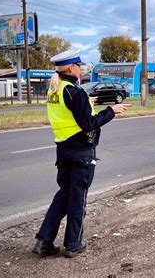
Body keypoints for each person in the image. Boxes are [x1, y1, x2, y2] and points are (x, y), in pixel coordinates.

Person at [32, 49, 129, 258]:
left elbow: (68, 114)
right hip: (80, 151)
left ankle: (43, 241)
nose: (81, 68)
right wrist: (112, 110)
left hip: (63, 150)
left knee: (64, 194)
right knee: (77, 198)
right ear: (71, 68)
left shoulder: (56, 90)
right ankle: (74, 243)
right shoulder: (75, 93)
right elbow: (89, 124)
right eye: (79, 65)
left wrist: (88, 104)